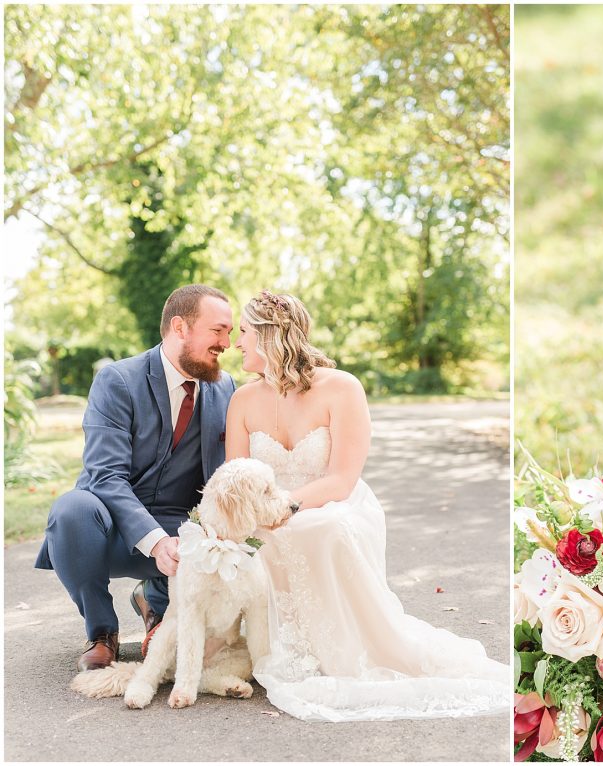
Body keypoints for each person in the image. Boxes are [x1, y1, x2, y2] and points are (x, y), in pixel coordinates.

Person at [226, 290, 508, 722]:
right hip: (267, 511)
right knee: (253, 537)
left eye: (243, 332)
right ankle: (281, 644)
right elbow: (237, 475)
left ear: (269, 336)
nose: (235, 342)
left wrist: (285, 507)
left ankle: (345, 651)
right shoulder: (242, 400)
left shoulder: (341, 388)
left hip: (332, 503)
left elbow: (342, 478)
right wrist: (256, 515)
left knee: (321, 528)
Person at [35, 285, 236, 671]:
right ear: (180, 327)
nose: (226, 342)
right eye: (218, 331)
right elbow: (104, 476)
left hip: (184, 528)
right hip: (109, 528)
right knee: (72, 509)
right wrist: (157, 541)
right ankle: (102, 631)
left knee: (216, 532)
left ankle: (157, 606)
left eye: (229, 332)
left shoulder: (224, 387)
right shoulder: (118, 380)